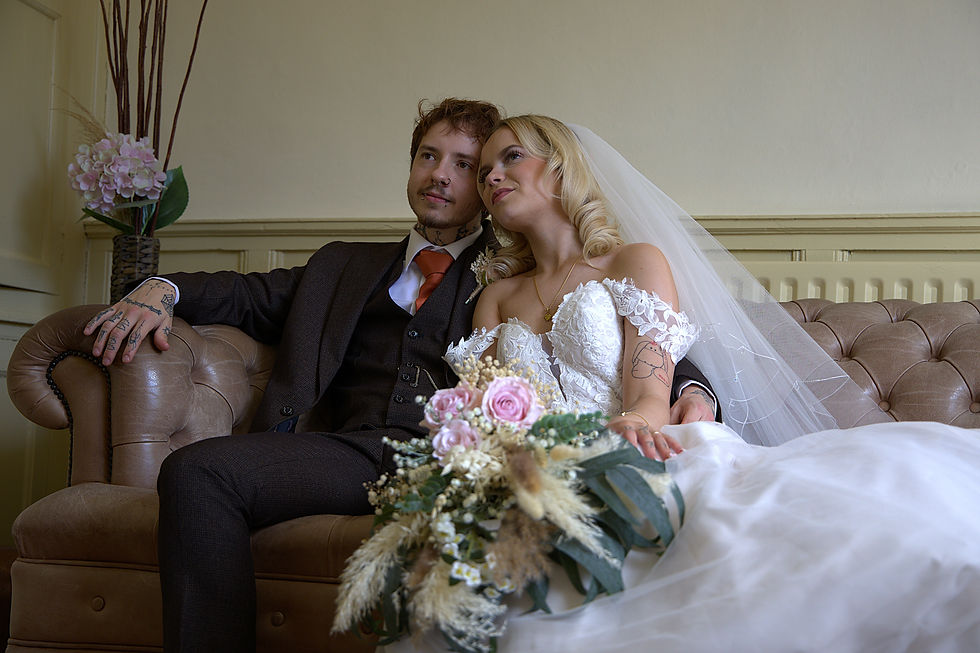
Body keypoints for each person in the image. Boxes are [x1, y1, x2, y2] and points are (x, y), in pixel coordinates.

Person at [81, 99, 719, 651]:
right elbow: (246, 292)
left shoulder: (501, 277)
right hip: (353, 449)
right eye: (426, 156)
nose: (441, 175)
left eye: (465, 164)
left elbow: (618, 344)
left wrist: (691, 390)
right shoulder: (343, 266)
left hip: (458, 457)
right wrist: (157, 287)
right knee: (198, 472)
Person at [387, 114, 980, 652]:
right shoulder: (492, 299)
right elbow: (486, 413)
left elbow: (649, 392)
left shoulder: (632, 262)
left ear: (561, 169)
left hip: (639, 441)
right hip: (538, 473)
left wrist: (631, 431)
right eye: (485, 170)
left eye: (510, 158)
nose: (491, 177)